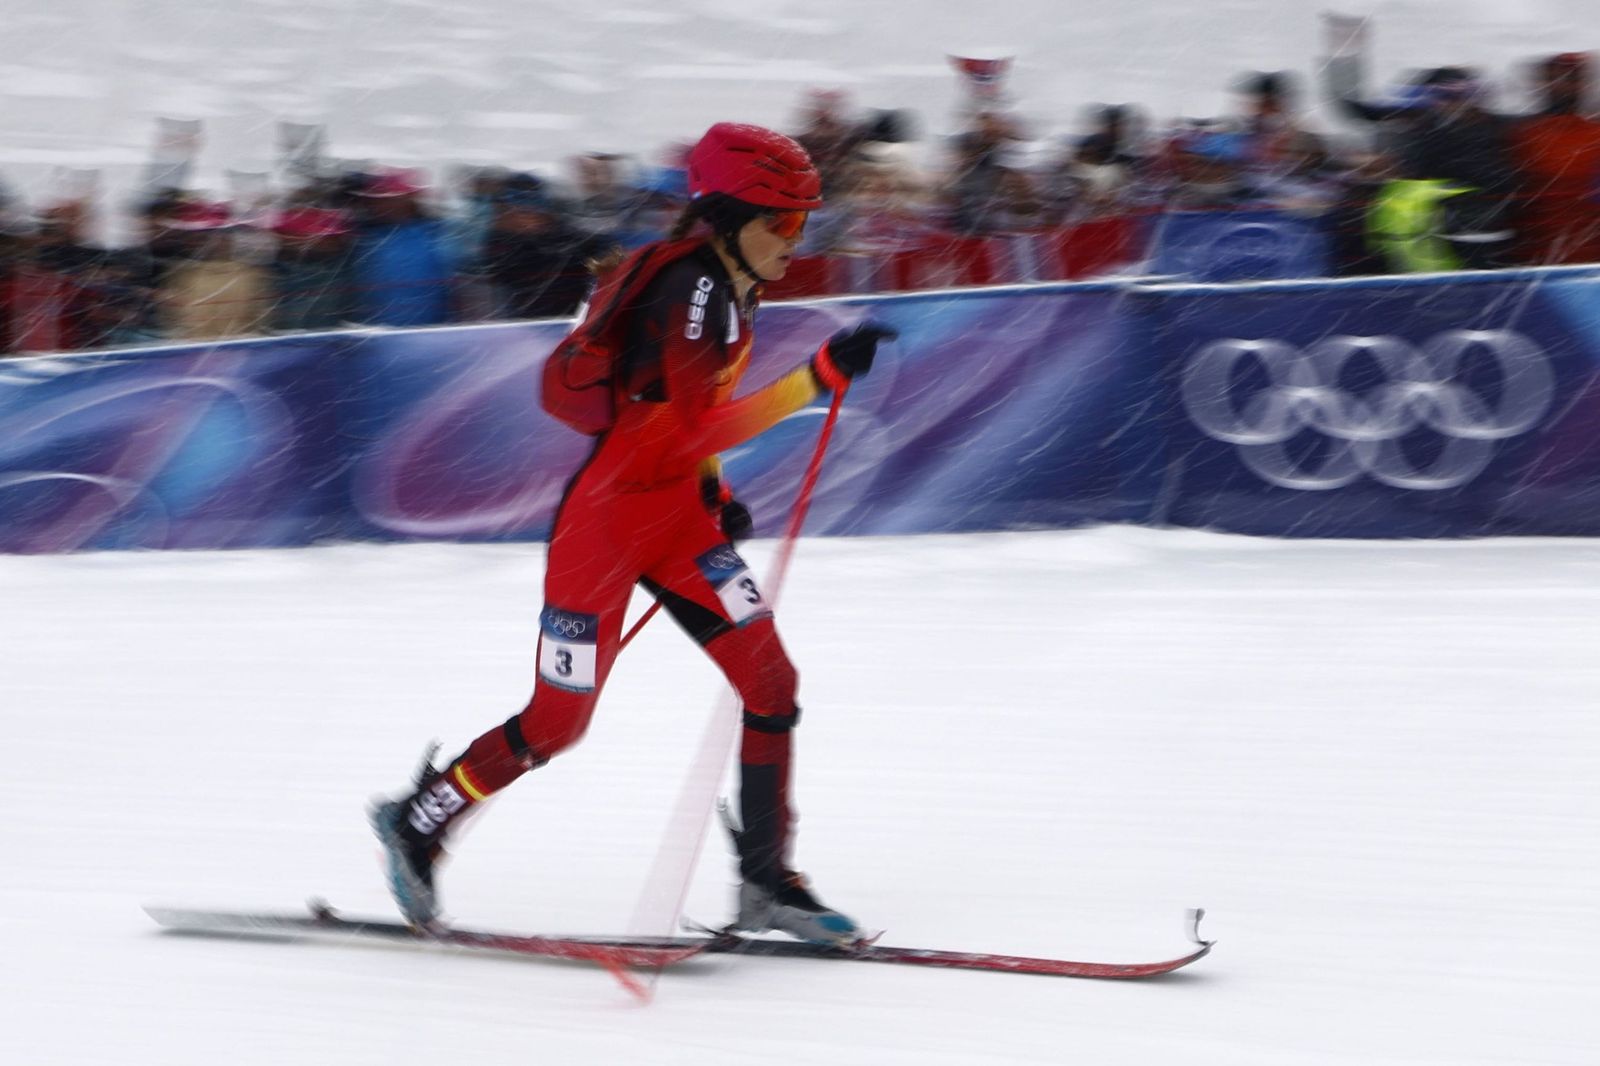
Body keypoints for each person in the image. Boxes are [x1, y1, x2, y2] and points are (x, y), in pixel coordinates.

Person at [369, 122, 897, 944]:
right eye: (785, 223)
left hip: (677, 520)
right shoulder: (689, 294)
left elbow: (682, 429)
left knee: (771, 684)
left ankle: (766, 881)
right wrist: (819, 377)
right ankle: (420, 818)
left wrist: (714, 497)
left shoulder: (727, 287)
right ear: (728, 217)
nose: (798, 242)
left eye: (806, 223)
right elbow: (691, 429)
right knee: (557, 724)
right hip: (606, 531)